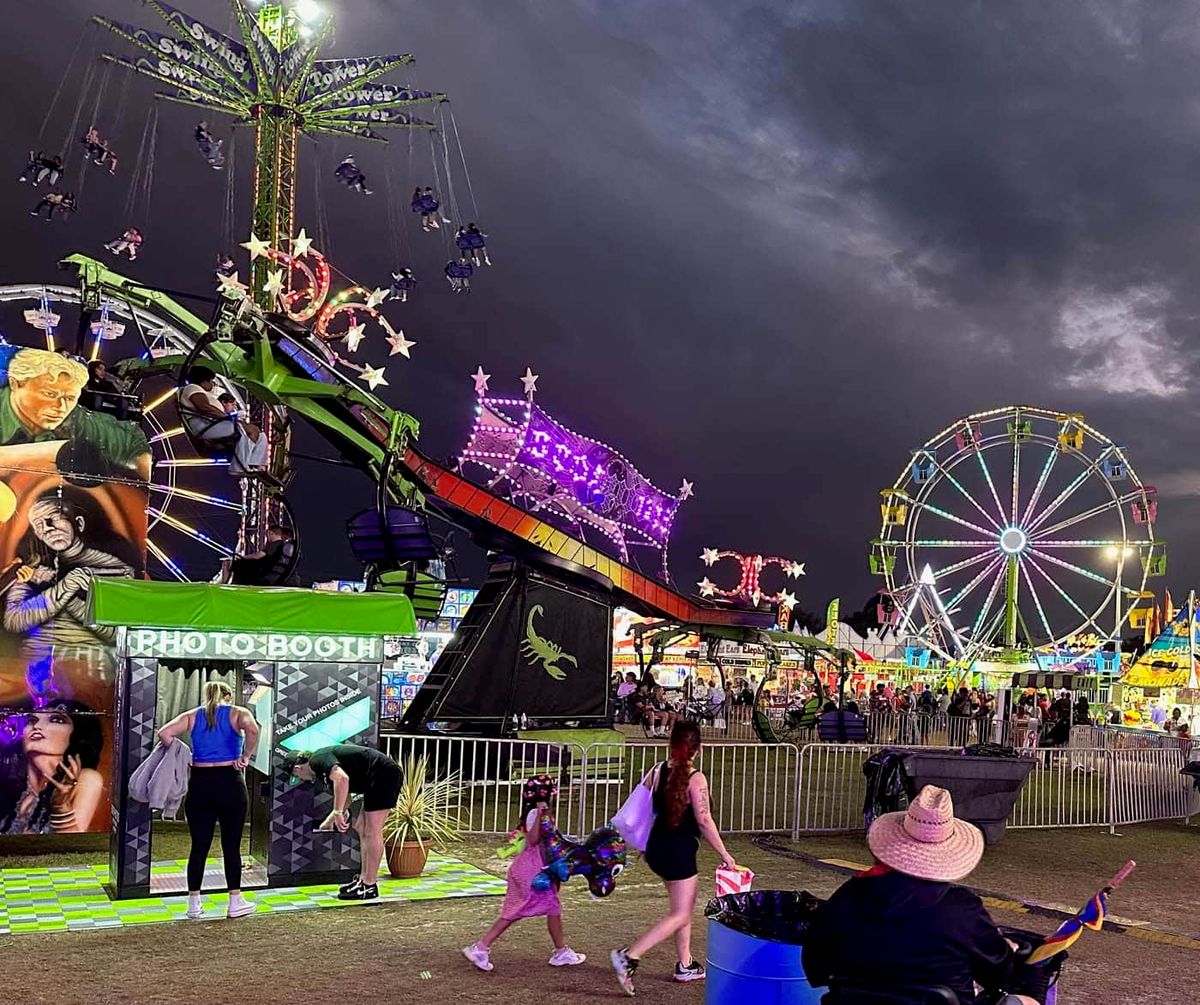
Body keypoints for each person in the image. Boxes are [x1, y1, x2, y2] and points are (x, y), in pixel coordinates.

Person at [802, 785, 1039, 1005]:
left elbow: (815, 968)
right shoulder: (962, 909)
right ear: (947, 856)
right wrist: (1006, 949)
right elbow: (999, 976)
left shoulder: (848, 896)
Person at [612, 721, 738, 994]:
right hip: (678, 851)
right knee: (680, 913)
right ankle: (630, 956)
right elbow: (704, 820)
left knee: (682, 908)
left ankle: (685, 964)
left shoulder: (658, 771)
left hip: (656, 849)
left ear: (671, 744)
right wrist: (725, 854)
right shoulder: (696, 778)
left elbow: (643, 807)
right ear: (699, 749)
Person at [462, 774, 586, 972]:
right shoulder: (534, 814)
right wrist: (540, 814)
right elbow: (533, 840)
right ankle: (481, 947)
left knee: (546, 909)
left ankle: (560, 951)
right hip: (532, 871)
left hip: (531, 869)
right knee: (521, 911)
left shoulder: (539, 813)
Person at [159, 681, 261, 920]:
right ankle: (235, 902)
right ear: (227, 695)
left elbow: (164, 733)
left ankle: (194, 904)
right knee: (231, 845)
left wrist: (183, 754)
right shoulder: (239, 713)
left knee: (199, 846)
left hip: (200, 783)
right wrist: (246, 755)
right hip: (230, 782)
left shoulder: (192, 716)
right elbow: (254, 730)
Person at [0, 347, 151, 481]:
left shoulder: (73, 417)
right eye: (49, 394)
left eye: (69, 398)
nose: (61, 407)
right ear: (16, 384)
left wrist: (141, 458)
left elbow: (128, 439)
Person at [285, 743, 404, 901]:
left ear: (298, 768)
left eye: (296, 776)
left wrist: (338, 812)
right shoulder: (321, 766)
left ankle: (369, 884)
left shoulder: (317, 760)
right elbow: (345, 795)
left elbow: (342, 779)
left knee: (372, 830)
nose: (300, 779)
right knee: (361, 827)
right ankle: (363, 879)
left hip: (384, 774)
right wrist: (330, 820)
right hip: (375, 776)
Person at [0, 699, 105, 834]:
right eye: (32, 720)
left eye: (56, 719)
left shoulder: (86, 779)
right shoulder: (10, 779)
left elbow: (72, 845)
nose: (37, 726)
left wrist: (61, 807)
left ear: (78, 734)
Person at [177, 365, 269, 475]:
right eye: (211, 381)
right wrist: (226, 417)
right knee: (245, 429)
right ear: (204, 382)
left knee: (257, 432)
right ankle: (240, 466)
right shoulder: (192, 388)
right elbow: (204, 407)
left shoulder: (200, 391)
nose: (213, 384)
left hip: (211, 424)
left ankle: (256, 464)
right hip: (204, 426)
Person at [223, 524, 296, 586]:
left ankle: (224, 585)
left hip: (260, 571)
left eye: (267, 534)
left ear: (271, 533)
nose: (267, 538)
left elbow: (257, 556)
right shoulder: (282, 545)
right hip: (264, 570)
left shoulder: (274, 545)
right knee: (239, 565)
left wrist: (243, 557)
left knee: (228, 563)